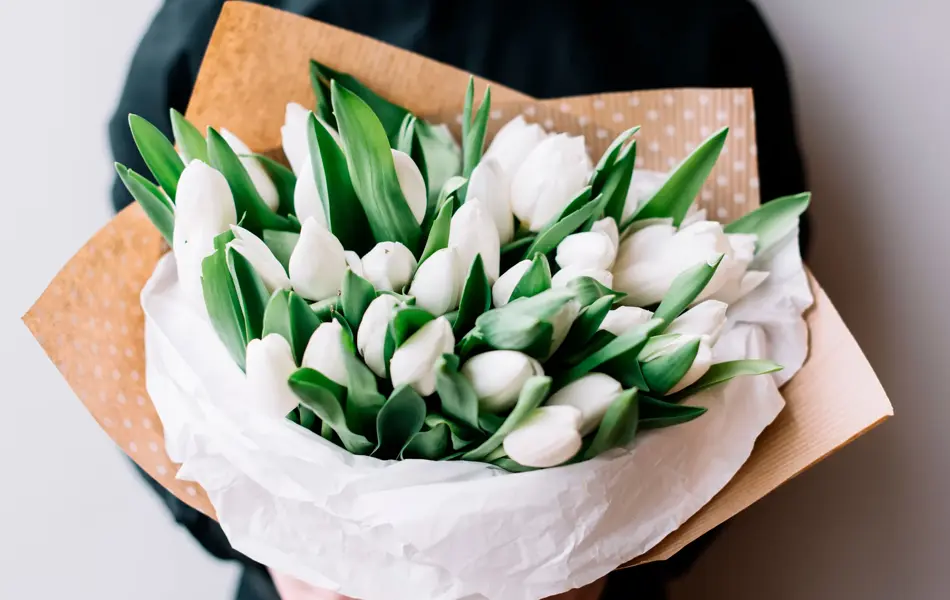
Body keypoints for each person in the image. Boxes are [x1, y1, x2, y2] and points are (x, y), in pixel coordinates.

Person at [112, 1, 808, 598]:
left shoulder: (695, 22)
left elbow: (771, 319)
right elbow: (138, 344)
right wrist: (289, 556)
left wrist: (601, 557)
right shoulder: (216, 20)